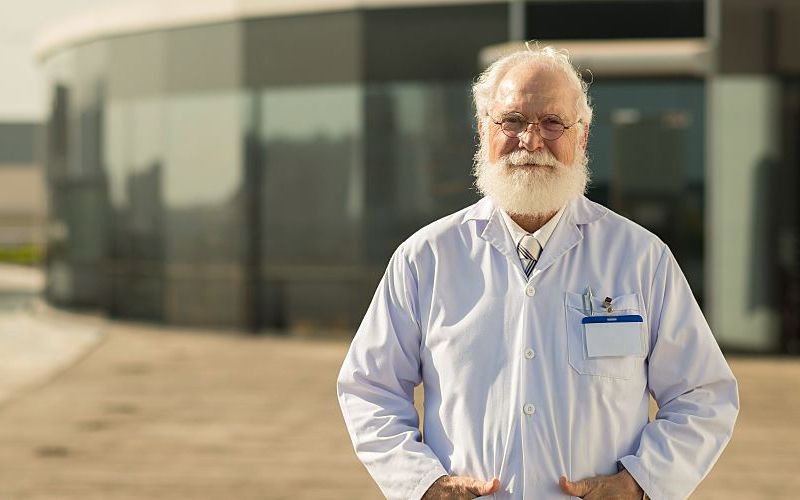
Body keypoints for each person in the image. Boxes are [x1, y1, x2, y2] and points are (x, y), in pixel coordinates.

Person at [336, 45, 739, 500]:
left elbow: (704, 395)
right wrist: (421, 484)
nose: (531, 141)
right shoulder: (426, 258)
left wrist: (643, 483)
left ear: (582, 137)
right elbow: (369, 388)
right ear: (484, 130)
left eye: (552, 123)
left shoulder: (641, 257)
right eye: (512, 121)